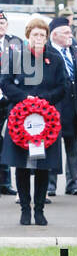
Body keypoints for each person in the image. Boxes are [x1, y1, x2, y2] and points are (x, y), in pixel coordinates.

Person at [0, 15, 66, 225]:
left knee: (42, 167)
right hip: (21, 120)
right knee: (22, 166)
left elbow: (63, 87)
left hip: (46, 123)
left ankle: (39, 209)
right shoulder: (16, 57)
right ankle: (25, 209)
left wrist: (43, 102)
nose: (39, 38)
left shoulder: (55, 59)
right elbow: (6, 83)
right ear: (28, 36)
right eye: (35, 34)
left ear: (47, 37)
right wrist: (25, 100)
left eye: (43, 35)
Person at [46, 16, 77, 197]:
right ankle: (50, 184)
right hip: (55, 106)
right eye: (67, 32)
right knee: (52, 146)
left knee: (73, 146)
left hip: (74, 105)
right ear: (54, 35)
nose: (71, 35)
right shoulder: (47, 52)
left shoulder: (75, 50)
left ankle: (74, 184)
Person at [0, 11, 21, 195]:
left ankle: (6, 183)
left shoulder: (15, 43)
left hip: (9, 98)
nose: (1, 26)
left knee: (9, 139)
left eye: (3, 22)